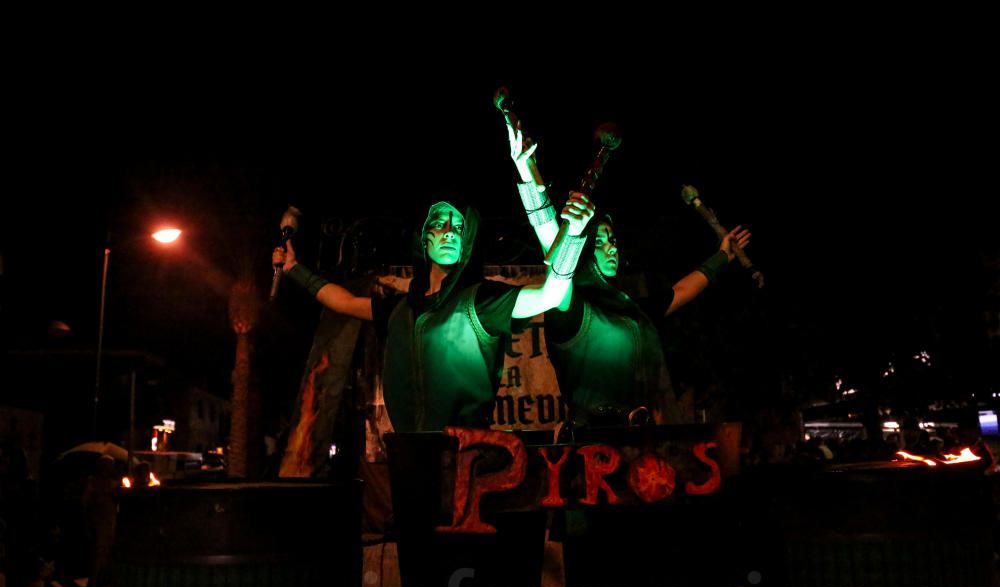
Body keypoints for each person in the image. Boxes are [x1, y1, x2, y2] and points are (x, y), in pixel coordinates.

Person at [273, 195, 595, 433]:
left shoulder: (481, 300)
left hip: (468, 453)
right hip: (410, 455)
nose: (450, 232)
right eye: (439, 224)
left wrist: (575, 235)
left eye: (458, 227)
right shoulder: (400, 310)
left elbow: (552, 294)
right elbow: (342, 302)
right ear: (424, 240)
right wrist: (293, 269)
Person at [508, 121, 750, 426]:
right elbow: (550, 238)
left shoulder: (631, 310)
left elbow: (682, 291)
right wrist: (528, 174)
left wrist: (723, 256)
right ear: (582, 248)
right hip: (592, 446)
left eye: (613, 241)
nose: (611, 248)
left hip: (648, 441)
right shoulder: (569, 305)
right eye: (599, 240)